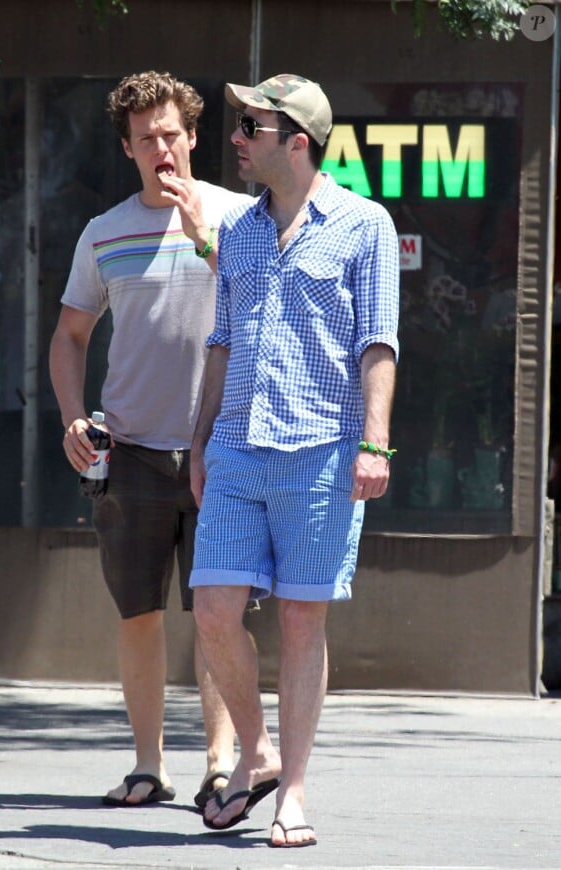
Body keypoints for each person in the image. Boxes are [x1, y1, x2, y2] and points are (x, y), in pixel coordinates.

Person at [189, 73, 399, 848]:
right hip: (238, 448)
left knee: (301, 619)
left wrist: (374, 443)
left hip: (323, 449)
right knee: (213, 612)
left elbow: (379, 341)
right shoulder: (239, 231)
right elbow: (221, 341)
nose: (237, 139)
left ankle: (294, 793)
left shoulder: (364, 225)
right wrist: (201, 438)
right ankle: (258, 751)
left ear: (297, 142)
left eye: (252, 127)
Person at [49, 70, 254, 809]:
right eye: (146, 140)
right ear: (129, 148)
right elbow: (70, 335)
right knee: (137, 613)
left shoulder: (240, 217)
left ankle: (222, 763)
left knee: (216, 615)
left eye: (172, 135)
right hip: (130, 452)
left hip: (222, 451)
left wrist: (204, 238)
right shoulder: (103, 232)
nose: (161, 150)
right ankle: (147, 763)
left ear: (193, 136)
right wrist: (74, 415)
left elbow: (259, 306)